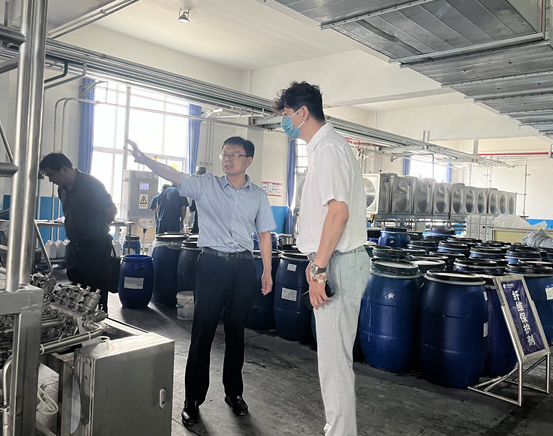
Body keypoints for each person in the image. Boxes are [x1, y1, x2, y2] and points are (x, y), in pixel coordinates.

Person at [126, 136, 275, 426]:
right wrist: (144, 160)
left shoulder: (258, 196)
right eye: (224, 154)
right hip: (211, 264)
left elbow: (264, 233)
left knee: (236, 333)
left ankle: (234, 393)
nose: (227, 159)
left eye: (234, 154)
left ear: (248, 161)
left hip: (243, 266)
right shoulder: (206, 186)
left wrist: (267, 270)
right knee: (202, 332)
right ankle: (192, 399)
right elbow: (174, 175)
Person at [274, 81, 369, 436]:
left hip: (337, 264)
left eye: (286, 114)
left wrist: (319, 269)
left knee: (334, 363)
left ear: (302, 112)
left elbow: (338, 214)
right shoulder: (325, 148)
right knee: (333, 360)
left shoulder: (328, 148)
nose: (285, 122)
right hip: (335, 261)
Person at [39, 153, 117, 312]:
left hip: (96, 247)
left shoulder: (92, 185)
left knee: (96, 291)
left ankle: (97, 321)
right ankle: (78, 323)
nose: (50, 180)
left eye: (51, 174)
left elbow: (111, 210)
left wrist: (96, 228)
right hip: (75, 248)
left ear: (64, 169)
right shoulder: (62, 189)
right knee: (76, 291)